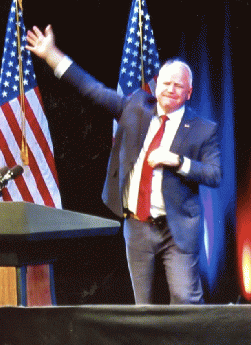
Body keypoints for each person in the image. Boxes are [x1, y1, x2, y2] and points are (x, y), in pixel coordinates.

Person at [26, 25, 221, 305]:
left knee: (185, 300)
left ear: (188, 92)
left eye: (178, 85)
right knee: (142, 305)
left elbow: (214, 175)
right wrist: (51, 55)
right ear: (157, 85)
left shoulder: (203, 129)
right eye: (166, 83)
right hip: (137, 225)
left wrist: (178, 161)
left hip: (176, 228)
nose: (170, 89)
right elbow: (92, 89)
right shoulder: (136, 108)